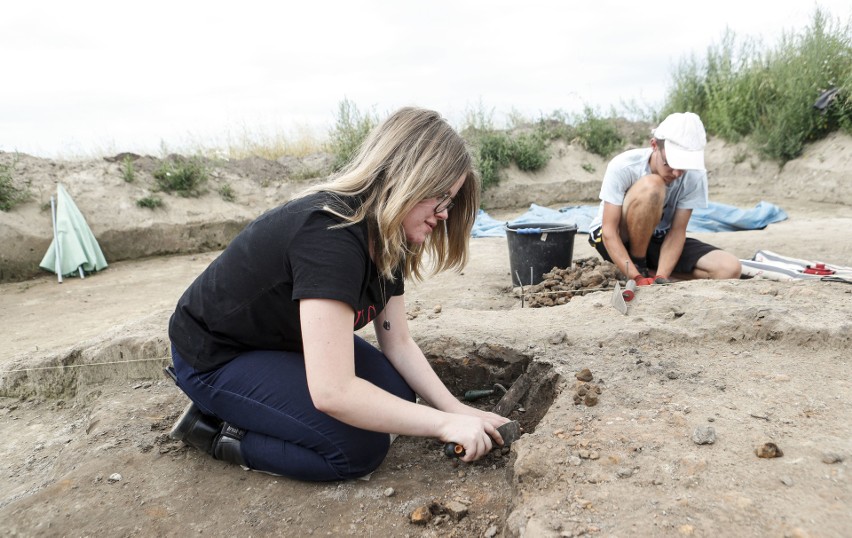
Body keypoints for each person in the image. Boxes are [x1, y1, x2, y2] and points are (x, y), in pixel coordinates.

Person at [166, 107, 510, 481]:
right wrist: (443, 426)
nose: (444, 214)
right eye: (440, 197)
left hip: (278, 341)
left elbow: (399, 343)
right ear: (408, 177)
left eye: (451, 201)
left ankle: (267, 403)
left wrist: (455, 410)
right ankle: (216, 430)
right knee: (356, 449)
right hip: (216, 356)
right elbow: (333, 392)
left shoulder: (390, 234)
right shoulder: (330, 237)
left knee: (396, 392)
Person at [587, 112, 742, 284]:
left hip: (658, 237)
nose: (676, 173)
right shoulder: (624, 165)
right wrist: (636, 276)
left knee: (730, 268)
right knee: (653, 185)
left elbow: (677, 232)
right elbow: (609, 231)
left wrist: (662, 276)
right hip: (617, 237)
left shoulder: (695, 176)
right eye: (670, 163)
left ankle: (651, 273)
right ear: (654, 145)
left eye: (683, 167)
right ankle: (639, 266)